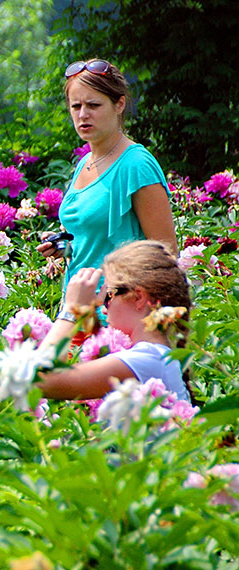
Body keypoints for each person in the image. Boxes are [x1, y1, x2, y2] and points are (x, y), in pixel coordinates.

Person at [36, 58, 177, 289]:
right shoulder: (84, 163)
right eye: (76, 106)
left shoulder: (137, 165)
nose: (83, 115)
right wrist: (61, 247)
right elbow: (92, 242)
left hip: (119, 315)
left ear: (119, 104)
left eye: (93, 105)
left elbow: (166, 257)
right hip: (76, 310)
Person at [36, 240, 191, 402]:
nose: (103, 309)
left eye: (109, 296)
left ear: (138, 297)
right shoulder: (155, 357)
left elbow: (40, 380)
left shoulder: (148, 358)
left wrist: (71, 309)